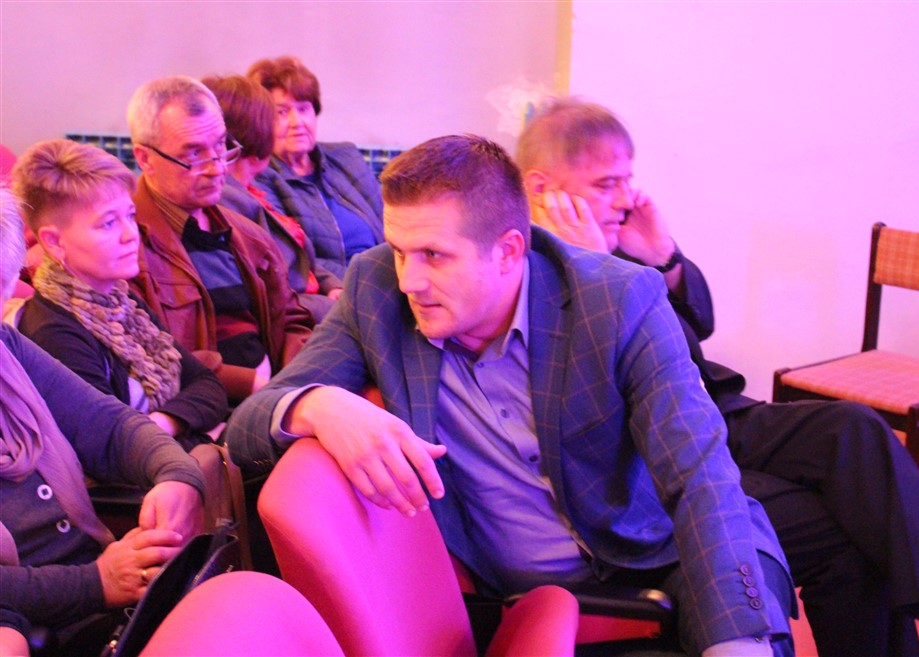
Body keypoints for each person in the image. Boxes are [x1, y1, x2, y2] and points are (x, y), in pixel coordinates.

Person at [227, 134, 796, 657]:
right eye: (399, 251)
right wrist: (318, 405)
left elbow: (699, 475)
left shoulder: (617, 299)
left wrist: (734, 638)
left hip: (663, 552)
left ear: (507, 251)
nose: (408, 280)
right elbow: (247, 429)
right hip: (516, 604)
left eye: (434, 255)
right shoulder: (375, 292)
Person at [514, 97, 919, 657]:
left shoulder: (611, 239)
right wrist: (596, 271)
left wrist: (664, 257)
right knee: (856, 530)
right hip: (662, 444)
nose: (624, 199)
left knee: (854, 428)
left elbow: (699, 323)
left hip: (718, 410)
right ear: (541, 189)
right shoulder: (530, 272)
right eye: (605, 184)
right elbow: (602, 398)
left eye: (628, 181)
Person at [0, 187, 205, 657]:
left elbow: (108, 424)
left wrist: (177, 474)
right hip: (39, 614)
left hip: (99, 587)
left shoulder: (7, 347)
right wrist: (96, 582)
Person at [12, 138, 232, 530]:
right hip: (135, 511)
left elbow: (206, 384)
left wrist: (162, 424)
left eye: (130, 215)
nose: (131, 234)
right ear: (54, 242)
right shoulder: (53, 331)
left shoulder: (120, 301)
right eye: (108, 223)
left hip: (172, 467)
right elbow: (109, 453)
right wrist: (189, 427)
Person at [125, 75, 314, 405]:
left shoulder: (249, 235)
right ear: (145, 159)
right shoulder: (124, 246)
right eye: (194, 155)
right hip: (200, 410)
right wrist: (254, 386)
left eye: (221, 146)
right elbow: (148, 353)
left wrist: (298, 382)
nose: (217, 169)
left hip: (273, 398)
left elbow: (291, 321)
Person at [203, 74, 342, 323]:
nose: (293, 124)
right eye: (279, 115)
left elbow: (299, 262)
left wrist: (332, 285)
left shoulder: (251, 190)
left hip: (314, 307)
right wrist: (339, 310)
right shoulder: (227, 203)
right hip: (299, 321)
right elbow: (275, 298)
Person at [247, 55, 384, 281]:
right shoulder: (260, 178)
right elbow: (292, 257)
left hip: (386, 276)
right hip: (340, 287)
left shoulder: (346, 157)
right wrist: (365, 281)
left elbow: (387, 223)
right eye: (282, 112)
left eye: (303, 109)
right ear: (260, 121)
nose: (297, 123)